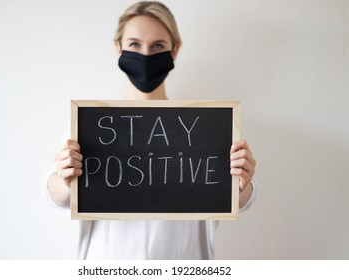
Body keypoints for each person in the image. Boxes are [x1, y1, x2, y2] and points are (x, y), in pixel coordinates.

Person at [46, 1, 257, 259]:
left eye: (157, 46)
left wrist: (242, 181)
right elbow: (56, 194)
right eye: (134, 44)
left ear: (174, 50)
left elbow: (240, 198)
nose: (145, 55)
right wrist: (65, 178)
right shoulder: (88, 122)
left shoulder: (207, 125)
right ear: (118, 48)